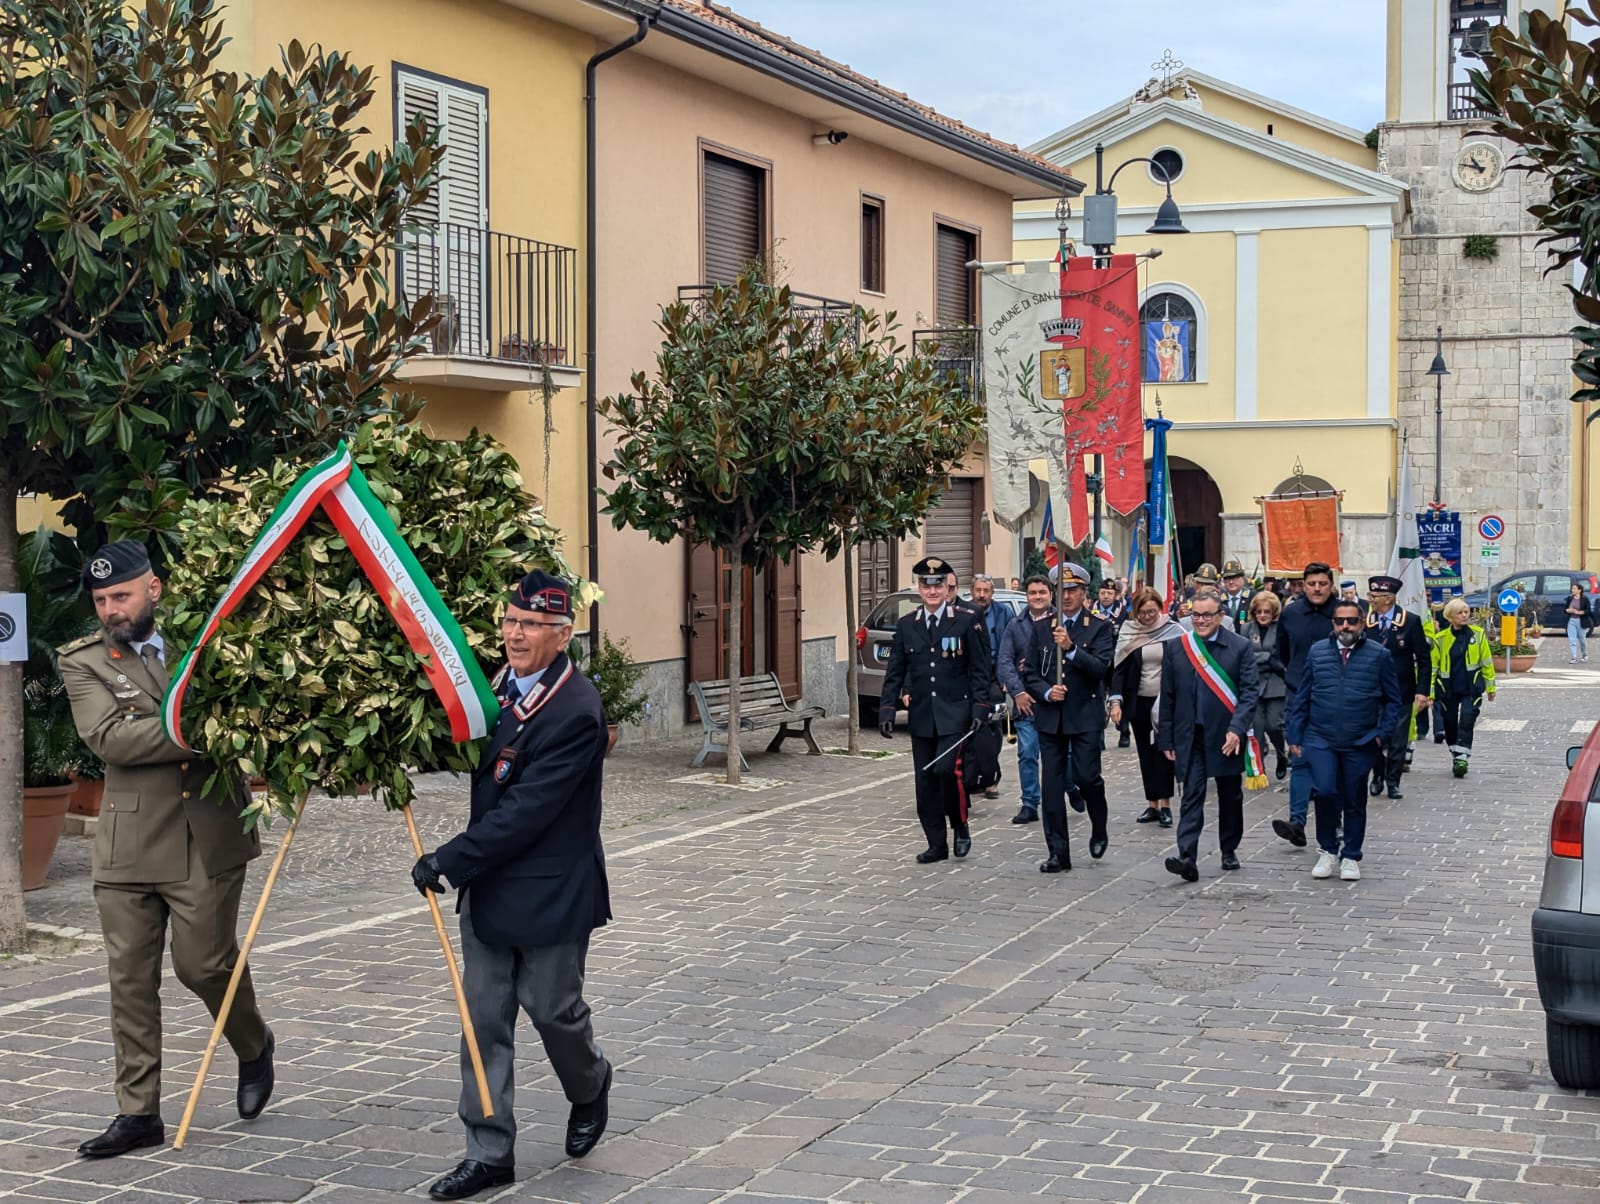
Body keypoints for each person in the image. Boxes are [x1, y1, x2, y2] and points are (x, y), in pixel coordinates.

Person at [59, 541, 274, 1158]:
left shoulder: (210, 642)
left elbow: (254, 706)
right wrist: (205, 721)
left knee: (203, 966)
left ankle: (254, 1046)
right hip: (129, 842)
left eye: (120, 595)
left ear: (153, 588)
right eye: (100, 600)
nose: (110, 610)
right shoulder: (84, 661)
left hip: (208, 835)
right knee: (129, 982)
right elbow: (111, 739)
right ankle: (138, 1113)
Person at [414, 570, 612, 1200]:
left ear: (563, 634)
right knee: (482, 1018)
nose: (514, 635)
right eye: (509, 621)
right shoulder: (493, 686)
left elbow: (525, 812)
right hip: (493, 885)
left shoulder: (577, 711)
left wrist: (448, 858)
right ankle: (489, 1150)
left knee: (554, 1012)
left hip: (552, 889)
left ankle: (591, 1084)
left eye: (530, 625)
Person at [880, 557, 991, 862]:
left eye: (938, 585)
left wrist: (980, 708)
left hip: (956, 712)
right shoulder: (907, 624)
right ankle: (936, 843)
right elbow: (895, 670)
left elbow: (980, 669)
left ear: (947, 587)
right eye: (926, 585)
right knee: (925, 781)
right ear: (919, 588)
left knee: (946, 771)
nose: (932, 591)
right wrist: (887, 709)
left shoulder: (966, 619)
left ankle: (960, 824)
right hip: (923, 715)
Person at [1287, 599, 1402, 882]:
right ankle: (1328, 849)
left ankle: (1351, 854)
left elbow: (1392, 701)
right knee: (1324, 792)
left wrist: (1381, 735)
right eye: (1340, 621)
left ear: (1362, 623)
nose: (1345, 627)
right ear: (1333, 624)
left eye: (1352, 621)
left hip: (1360, 740)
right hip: (1320, 737)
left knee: (1353, 798)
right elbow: (1302, 696)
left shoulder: (1379, 655)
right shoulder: (1318, 652)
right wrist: (1295, 734)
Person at [1157, 592, 1260, 882]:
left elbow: (1250, 692)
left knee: (1230, 796)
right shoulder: (1178, 647)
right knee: (1191, 796)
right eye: (1196, 615)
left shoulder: (1239, 647)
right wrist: (1166, 738)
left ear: (1220, 616)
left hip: (1227, 736)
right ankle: (1186, 856)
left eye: (1207, 615)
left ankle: (1229, 848)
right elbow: (1168, 696)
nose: (1201, 621)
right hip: (1191, 737)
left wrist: (1237, 728)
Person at [1021, 562, 1115, 872]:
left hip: (1084, 715)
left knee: (1087, 778)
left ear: (1084, 593)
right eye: (1063, 591)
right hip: (1051, 717)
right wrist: (1046, 692)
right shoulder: (1041, 627)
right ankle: (1058, 853)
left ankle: (1099, 826)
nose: (1068, 596)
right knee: (1052, 787)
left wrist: (1071, 648)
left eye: (1073, 590)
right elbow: (1031, 673)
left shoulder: (1098, 626)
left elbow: (1101, 669)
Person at [1272, 562, 1339, 849]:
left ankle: (1334, 823)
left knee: (1332, 763)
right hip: (1298, 696)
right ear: (1303, 585)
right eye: (1311, 583)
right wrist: (1291, 677)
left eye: (1322, 583)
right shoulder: (1291, 613)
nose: (1317, 588)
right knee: (1299, 758)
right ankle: (1296, 821)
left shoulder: (1343, 614)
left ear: (1331, 585)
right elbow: (1279, 654)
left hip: (1335, 699)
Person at [1108, 587, 1183, 828]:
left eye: (1152, 611)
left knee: (1164, 751)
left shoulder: (1172, 629)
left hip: (1165, 701)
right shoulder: (1129, 631)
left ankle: (1166, 804)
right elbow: (1118, 668)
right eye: (1143, 612)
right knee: (1145, 752)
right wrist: (1116, 700)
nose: (1148, 616)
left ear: (1159, 608)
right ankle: (1151, 802)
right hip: (1139, 700)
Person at [1364, 574, 1432, 800]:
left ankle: (1393, 781)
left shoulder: (1410, 621)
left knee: (1398, 739)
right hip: (1372, 691)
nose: (1370, 600)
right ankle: (1378, 776)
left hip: (1401, 691)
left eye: (1374, 596)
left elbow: (1424, 659)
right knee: (1373, 737)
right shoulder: (1365, 621)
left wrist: (1423, 691)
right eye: (1370, 595)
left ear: (1389, 599)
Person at [997, 575, 1051, 825]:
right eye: (1033, 593)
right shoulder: (1015, 625)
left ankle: (1071, 787)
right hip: (1025, 702)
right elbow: (1005, 661)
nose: (1037, 597)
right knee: (1027, 752)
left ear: (1050, 594)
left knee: (1067, 757)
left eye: (1042, 592)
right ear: (1026, 596)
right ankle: (1030, 802)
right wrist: (1017, 692)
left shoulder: (1060, 622)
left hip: (1055, 703)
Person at [1433, 597, 1496, 778]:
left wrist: (1490, 687)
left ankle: (1462, 757)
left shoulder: (1477, 635)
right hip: (1448, 688)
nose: (1464, 616)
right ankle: (1456, 752)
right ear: (1451, 616)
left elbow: (1486, 662)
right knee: (1450, 723)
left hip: (1471, 686)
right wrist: (1430, 692)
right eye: (1460, 613)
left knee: (1467, 720)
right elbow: (1433, 667)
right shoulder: (1441, 638)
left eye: (1466, 612)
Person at [970, 573, 1013, 799]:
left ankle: (992, 778)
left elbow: (1009, 647)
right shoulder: (965, 613)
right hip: (971, 679)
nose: (982, 595)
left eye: (986, 591)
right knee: (973, 728)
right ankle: (975, 776)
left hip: (995, 679)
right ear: (972, 591)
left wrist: (1006, 677)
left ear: (992, 593)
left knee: (994, 727)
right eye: (978, 590)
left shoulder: (1003, 613)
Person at [1244, 589, 1289, 781]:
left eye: (1267, 612)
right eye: (1259, 612)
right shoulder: (1246, 629)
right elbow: (1245, 656)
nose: (1262, 616)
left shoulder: (1281, 629)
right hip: (1254, 684)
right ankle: (1258, 767)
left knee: (1274, 725)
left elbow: (1279, 656)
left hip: (1276, 684)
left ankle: (1281, 754)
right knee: (1258, 727)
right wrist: (1266, 658)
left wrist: (1267, 658)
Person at [1566, 580, 1593, 664]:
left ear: (1579, 590)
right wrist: (1568, 610)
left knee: (1582, 640)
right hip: (1571, 621)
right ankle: (1574, 657)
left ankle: (1584, 655)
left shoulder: (1584, 599)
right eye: (1572, 588)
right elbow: (1565, 608)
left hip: (1581, 621)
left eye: (1574, 588)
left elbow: (1588, 610)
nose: (1572, 590)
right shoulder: (1570, 598)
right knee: (1572, 639)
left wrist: (1580, 612)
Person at [1219, 560, 1253, 628]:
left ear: (1242, 579)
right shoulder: (1219, 600)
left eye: (1234, 578)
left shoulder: (1252, 597)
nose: (1231, 582)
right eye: (1227, 579)